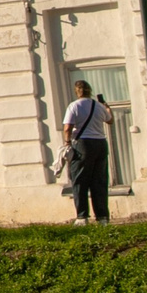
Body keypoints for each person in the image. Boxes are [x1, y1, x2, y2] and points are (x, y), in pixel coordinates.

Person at [63, 79, 115, 225]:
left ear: (76, 91)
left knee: (80, 180)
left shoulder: (74, 106)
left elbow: (67, 128)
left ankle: (82, 217)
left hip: (83, 144)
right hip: (100, 144)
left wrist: (67, 142)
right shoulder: (99, 106)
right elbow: (110, 120)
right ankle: (102, 218)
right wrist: (107, 107)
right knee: (99, 181)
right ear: (90, 91)